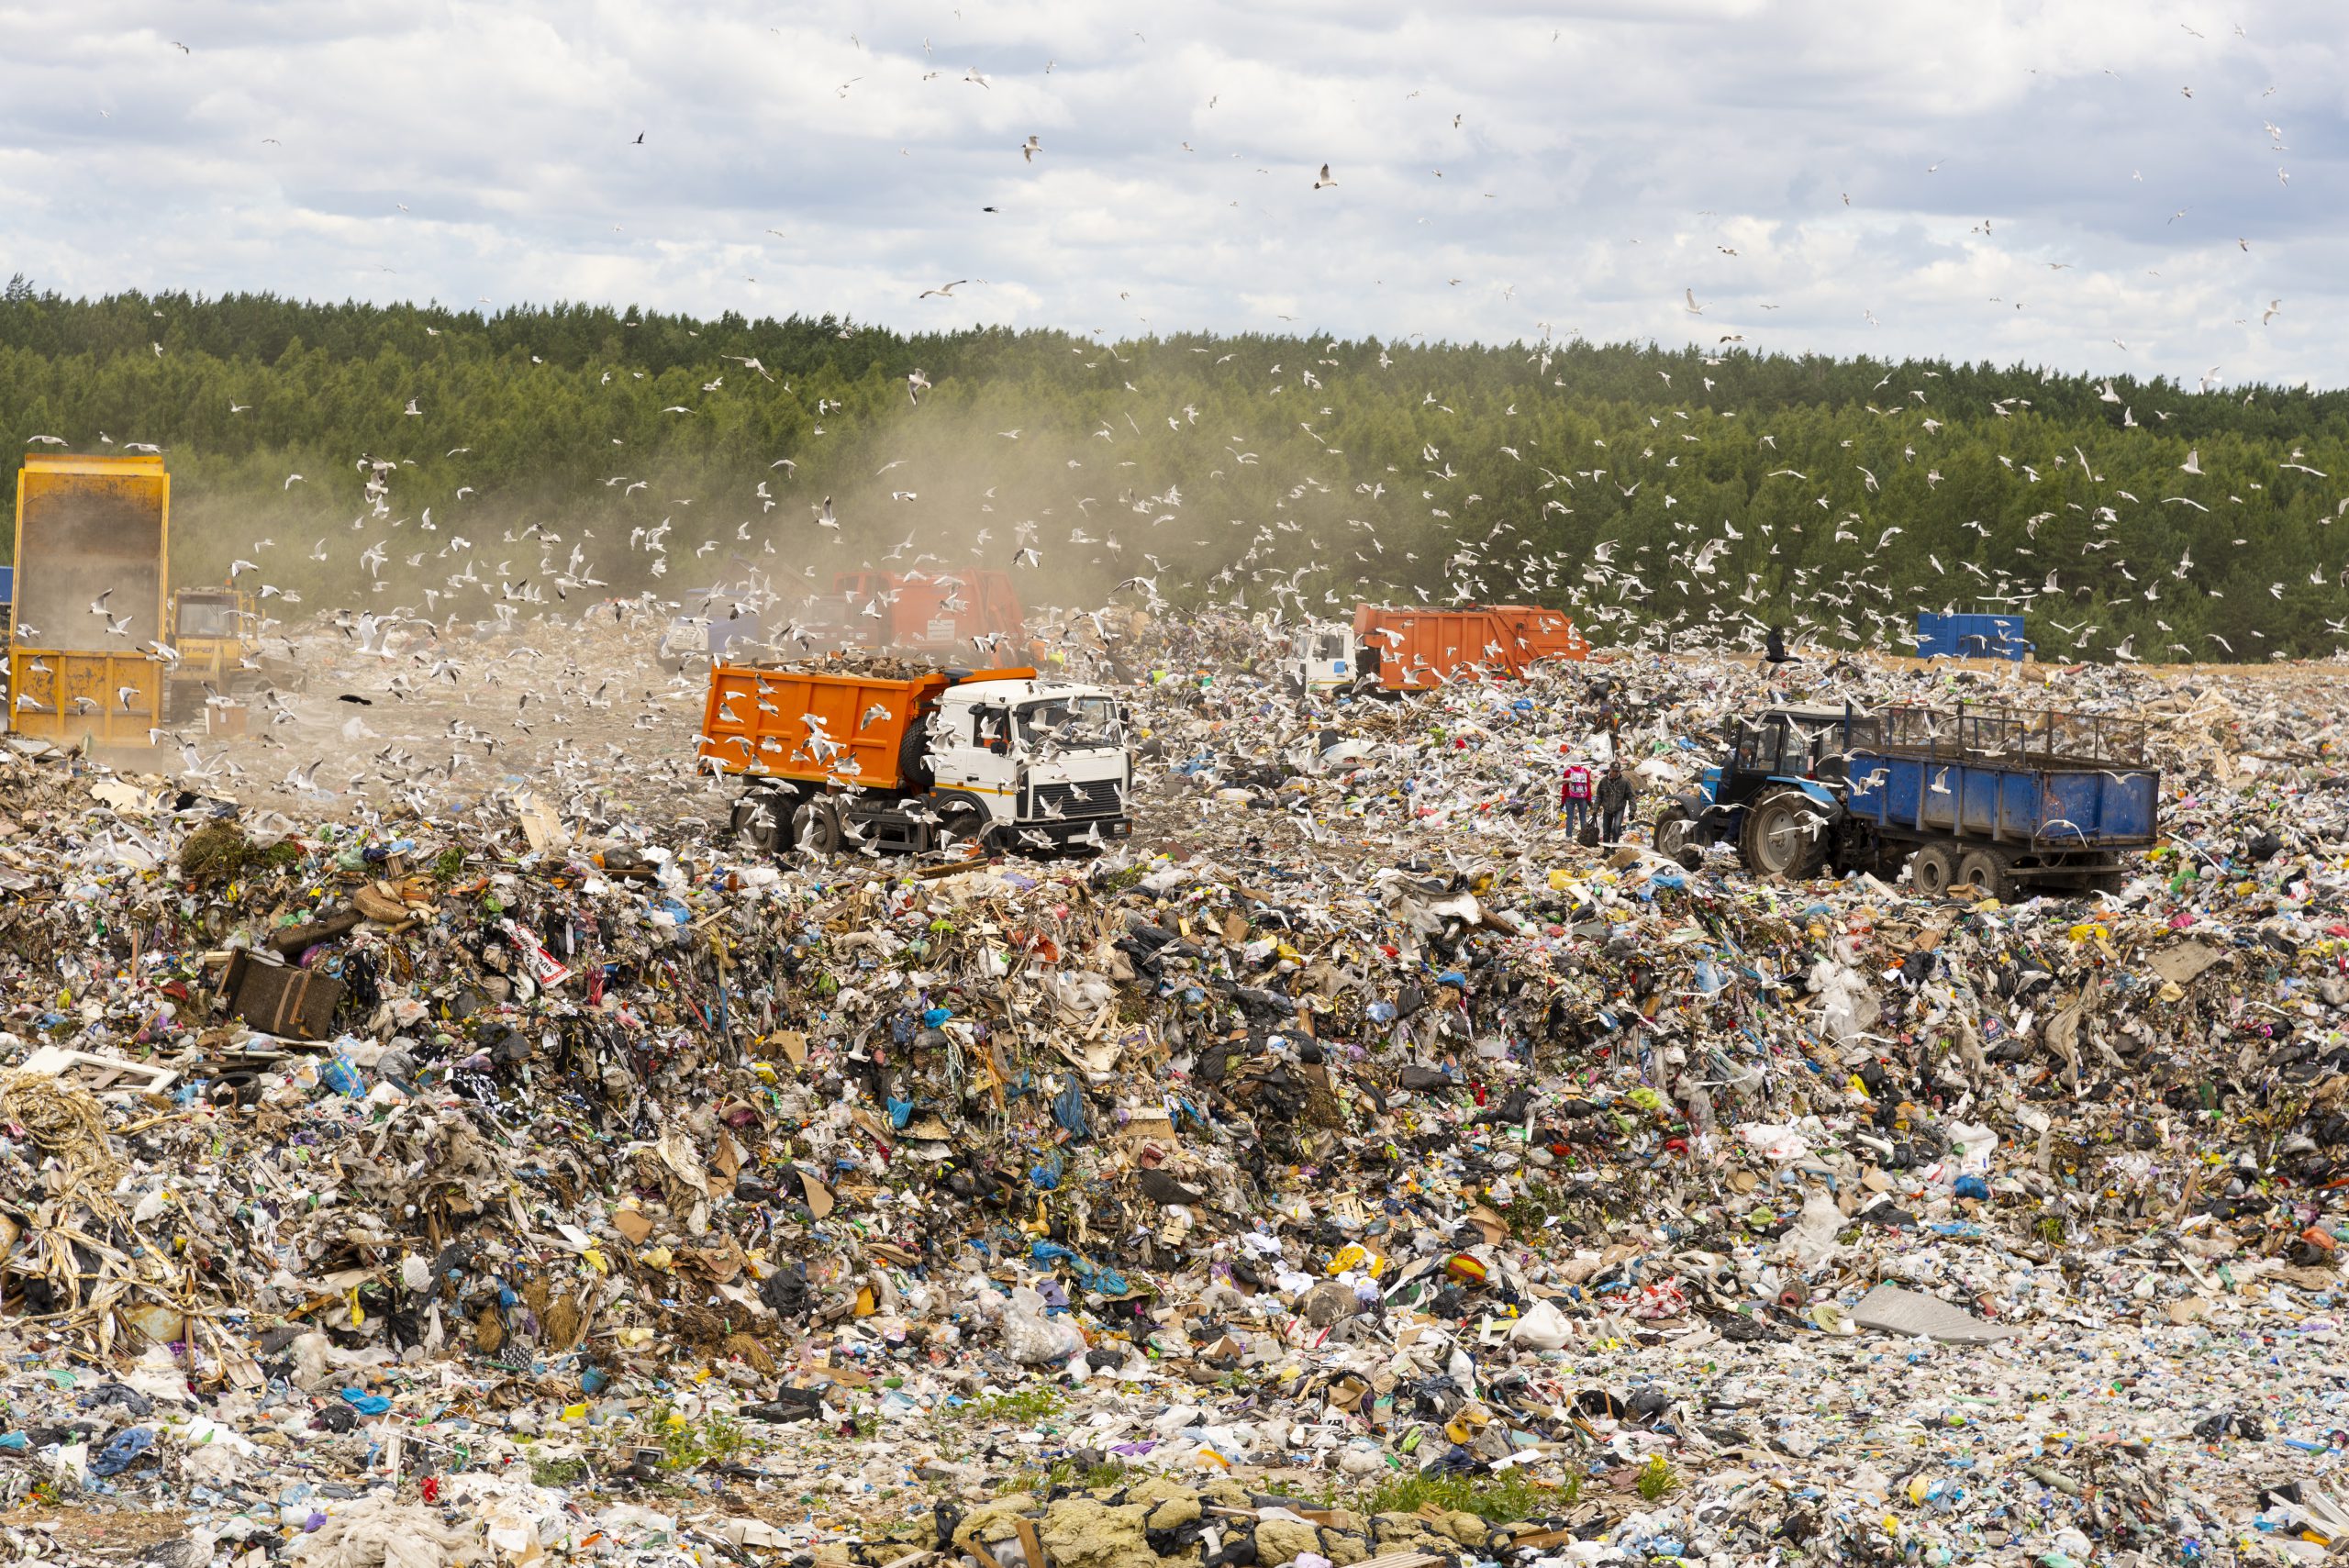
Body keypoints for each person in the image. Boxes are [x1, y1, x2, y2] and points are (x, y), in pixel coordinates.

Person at [1598, 761, 1635, 844]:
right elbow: (1599, 796)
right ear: (1610, 769)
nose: (1615, 773)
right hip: (1607, 809)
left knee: (1617, 827)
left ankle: (1614, 847)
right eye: (1613, 771)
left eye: (1617, 771)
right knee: (1606, 830)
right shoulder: (1603, 781)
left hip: (1619, 808)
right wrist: (1595, 809)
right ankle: (1606, 850)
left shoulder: (1624, 781)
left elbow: (1631, 796)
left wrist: (1632, 811)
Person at [1559, 755, 1593, 839]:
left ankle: (1569, 836)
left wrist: (1562, 802)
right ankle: (1584, 837)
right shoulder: (1585, 771)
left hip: (1570, 797)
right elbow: (1588, 787)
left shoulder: (1568, 772)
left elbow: (1564, 788)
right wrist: (1589, 800)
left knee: (1570, 816)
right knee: (1583, 817)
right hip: (1582, 797)